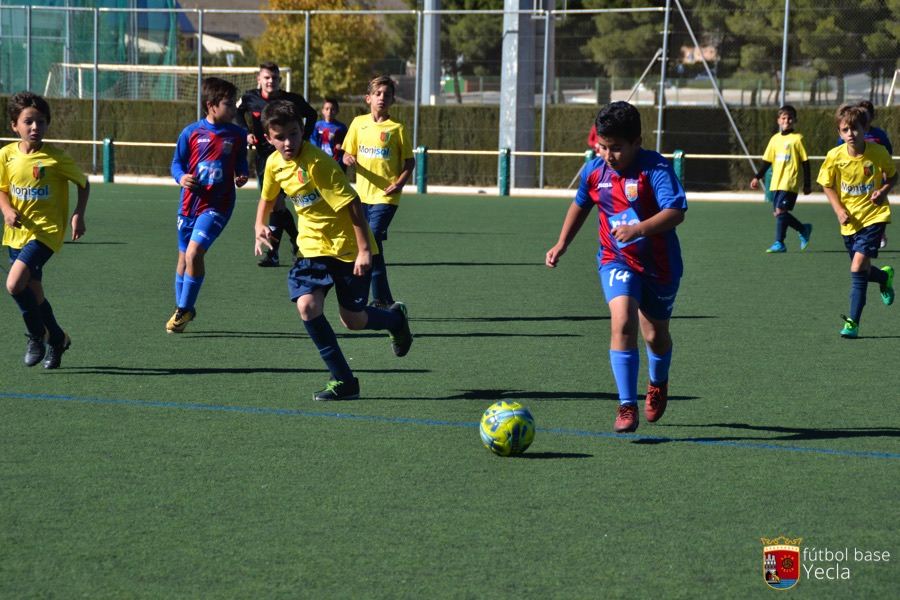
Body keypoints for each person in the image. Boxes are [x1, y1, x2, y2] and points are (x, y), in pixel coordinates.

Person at [254, 100, 412, 401]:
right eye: (280, 136)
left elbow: (353, 204)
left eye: (294, 133)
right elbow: (267, 196)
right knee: (307, 307)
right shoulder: (274, 164)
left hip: (349, 247)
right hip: (312, 247)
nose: (288, 142)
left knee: (352, 320)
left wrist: (366, 250)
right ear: (269, 139)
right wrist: (258, 225)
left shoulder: (318, 165)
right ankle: (344, 381)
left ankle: (395, 320)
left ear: (303, 131)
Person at [545, 101, 687, 433]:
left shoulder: (655, 168)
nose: (609, 155)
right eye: (603, 146)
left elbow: (677, 211)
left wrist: (638, 229)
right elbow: (580, 204)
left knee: (655, 335)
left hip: (659, 266)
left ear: (637, 142)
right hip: (616, 259)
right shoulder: (595, 171)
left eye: (617, 148)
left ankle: (657, 381)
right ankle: (626, 405)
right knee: (622, 321)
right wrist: (562, 243)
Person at [0, 91, 89, 369]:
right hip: (16, 234)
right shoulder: (6, 155)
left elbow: (84, 183)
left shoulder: (56, 158)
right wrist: (6, 209)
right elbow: (2, 188)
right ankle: (58, 338)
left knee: (14, 284)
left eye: (41, 121)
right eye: (28, 122)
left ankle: (37, 335)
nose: (35, 127)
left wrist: (78, 214)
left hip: (45, 233)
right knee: (35, 293)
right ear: (15, 125)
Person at [168, 77, 249, 333]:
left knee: (194, 254)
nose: (234, 109)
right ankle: (183, 307)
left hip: (218, 205)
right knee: (182, 259)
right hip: (189, 205)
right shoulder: (190, 133)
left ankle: (184, 310)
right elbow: (176, 163)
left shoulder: (237, 134)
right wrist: (182, 177)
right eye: (228, 104)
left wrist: (241, 174)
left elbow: (241, 161)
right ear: (211, 105)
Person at [818, 104, 898, 339]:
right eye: (845, 130)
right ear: (839, 133)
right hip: (848, 221)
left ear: (865, 128)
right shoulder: (835, 156)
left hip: (874, 217)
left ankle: (853, 323)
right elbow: (826, 184)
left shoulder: (878, 152)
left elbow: (893, 176)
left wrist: (883, 191)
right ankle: (884, 277)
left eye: (855, 129)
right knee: (862, 270)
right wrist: (838, 209)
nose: (850, 134)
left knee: (856, 268)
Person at [342, 76, 415, 309]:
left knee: (370, 241)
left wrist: (399, 184)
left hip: (386, 196)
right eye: (378, 93)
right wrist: (348, 158)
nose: (382, 97)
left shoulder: (397, 129)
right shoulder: (358, 123)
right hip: (361, 196)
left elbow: (409, 163)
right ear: (368, 98)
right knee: (372, 247)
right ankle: (384, 299)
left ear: (393, 100)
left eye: (387, 94)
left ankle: (371, 297)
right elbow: (346, 154)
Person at [236, 62, 318, 267]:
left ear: (280, 80)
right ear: (259, 79)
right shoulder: (250, 98)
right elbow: (238, 112)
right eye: (267, 77)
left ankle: (274, 253)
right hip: (264, 158)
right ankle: (296, 243)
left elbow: (312, 114)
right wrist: (246, 132)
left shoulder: (291, 100)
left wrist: (303, 140)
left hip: (287, 158)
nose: (270, 81)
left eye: (274, 77)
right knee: (276, 206)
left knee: (277, 204)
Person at [749, 105, 813, 253]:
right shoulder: (775, 139)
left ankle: (780, 243)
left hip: (789, 182)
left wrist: (807, 184)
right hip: (776, 183)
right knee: (778, 214)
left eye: (790, 118)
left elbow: (805, 163)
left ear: (795, 120)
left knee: (780, 211)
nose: (787, 120)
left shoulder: (798, 139)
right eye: (783, 118)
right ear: (778, 121)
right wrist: (757, 177)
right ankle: (803, 229)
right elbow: (767, 162)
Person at [836, 100, 894, 249]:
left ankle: (878, 231)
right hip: (853, 184)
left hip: (874, 177)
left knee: (875, 203)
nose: (850, 133)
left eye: (866, 115)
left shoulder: (879, 135)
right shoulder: (839, 149)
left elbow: (888, 154)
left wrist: (885, 182)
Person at [310, 97, 348, 172]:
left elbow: (347, 143)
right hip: (321, 160)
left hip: (336, 161)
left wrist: (341, 146)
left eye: (333, 109)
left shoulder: (341, 127)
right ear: (323, 111)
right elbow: (313, 141)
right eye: (327, 109)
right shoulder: (317, 126)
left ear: (337, 111)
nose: (329, 112)